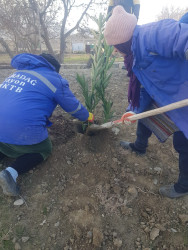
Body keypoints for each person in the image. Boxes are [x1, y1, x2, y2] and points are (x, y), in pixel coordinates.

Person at [104, 6, 188, 198]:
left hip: (183, 93)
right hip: (165, 93)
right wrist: (133, 110)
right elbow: (141, 89)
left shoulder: (153, 34)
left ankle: (184, 185)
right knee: (144, 114)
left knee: (183, 141)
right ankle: (139, 146)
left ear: (124, 40)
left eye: (115, 46)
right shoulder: (133, 56)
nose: (115, 51)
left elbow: (182, 37)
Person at [0, 53, 94, 197]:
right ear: (53, 69)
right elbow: (73, 108)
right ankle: (10, 173)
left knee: (4, 141)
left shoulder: (18, 74)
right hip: (18, 127)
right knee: (44, 148)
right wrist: (88, 117)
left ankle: (7, 148)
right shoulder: (54, 79)